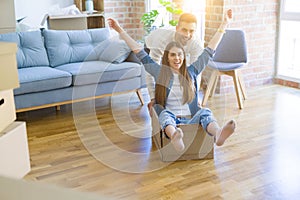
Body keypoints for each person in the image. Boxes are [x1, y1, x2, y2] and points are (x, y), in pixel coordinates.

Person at [107, 9, 236, 152]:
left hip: (191, 119)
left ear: (184, 57)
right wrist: (119, 30)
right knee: (164, 115)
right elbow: (139, 51)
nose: (177, 58)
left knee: (205, 113)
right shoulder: (159, 72)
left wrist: (224, 24)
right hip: (172, 120)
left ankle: (218, 134)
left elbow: (210, 49)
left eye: (180, 55)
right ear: (167, 57)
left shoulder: (192, 71)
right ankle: (175, 137)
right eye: (173, 55)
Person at [145, 13, 204, 115]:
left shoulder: (196, 44)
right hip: (151, 44)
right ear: (177, 28)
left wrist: (195, 99)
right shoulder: (161, 40)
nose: (187, 35)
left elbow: (196, 73)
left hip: (178, 51)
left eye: (191, 31)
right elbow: (150, 70)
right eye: (184, 30)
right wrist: (153, 98)